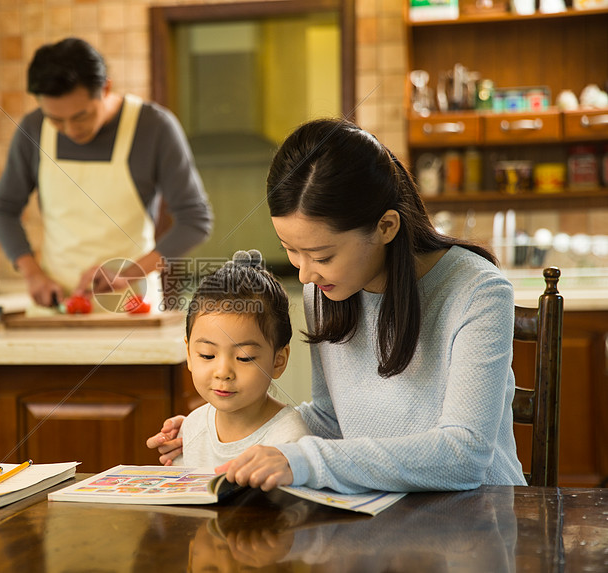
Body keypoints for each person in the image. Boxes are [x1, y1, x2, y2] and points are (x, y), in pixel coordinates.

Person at [148, 118, 527, 493]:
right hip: (377, 516)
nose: (305, 275)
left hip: (475, 520)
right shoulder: (325, 289)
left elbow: (465, 455)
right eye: (291, 251)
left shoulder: (477, 291)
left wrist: (302, 461)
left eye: (322, 255)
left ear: (386, 227)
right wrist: (221, 429)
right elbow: (330, 419)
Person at [0, 37, 212, 308]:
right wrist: (33, 274)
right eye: (56, 119)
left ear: (105, 88)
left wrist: (129, 274)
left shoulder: (154, 127)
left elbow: (195, 220)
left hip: (132, 306)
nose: (70, 130)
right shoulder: (32, 129)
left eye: (81, 116)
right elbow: (3, 209)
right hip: (58, 306)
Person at [174, 250, 309, 467]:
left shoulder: (290, 439)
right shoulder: (191, 427)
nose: (223, 372)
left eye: (244, 358)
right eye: (207, 355)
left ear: (278, 361)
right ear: (189, 354)